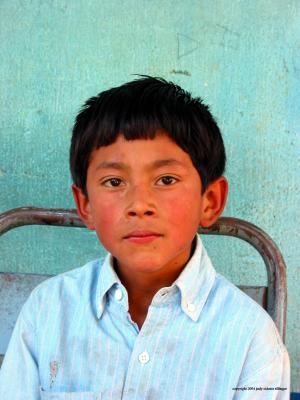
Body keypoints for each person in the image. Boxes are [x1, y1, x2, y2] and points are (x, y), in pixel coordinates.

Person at [0, 76, 290, 399]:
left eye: (166, 179)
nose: (139, 205)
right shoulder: (47, 311)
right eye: (114, 182)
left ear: (210, 201)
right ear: (85, 206)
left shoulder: (252, 338)